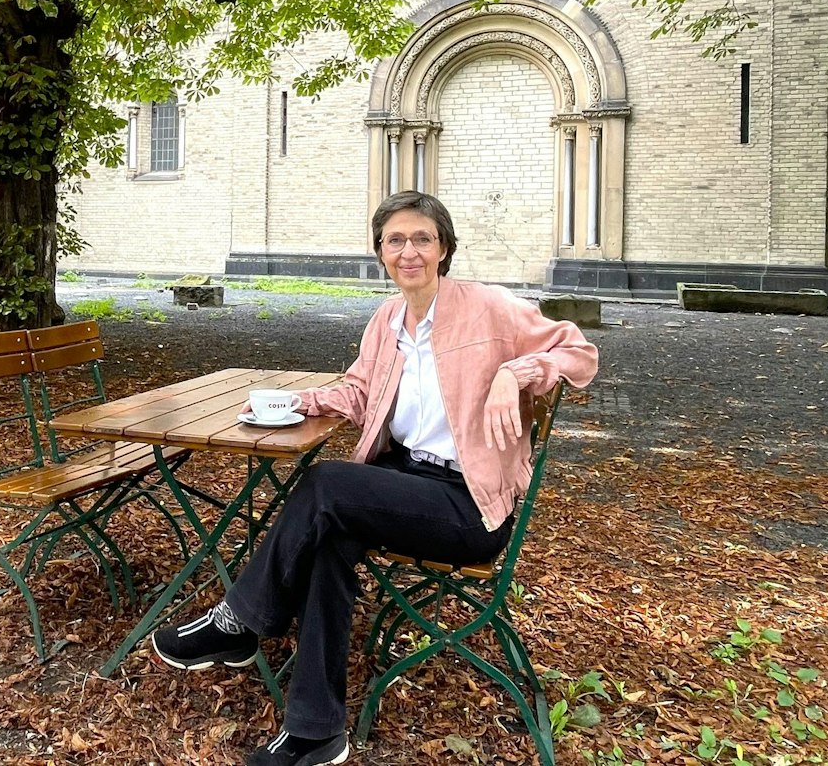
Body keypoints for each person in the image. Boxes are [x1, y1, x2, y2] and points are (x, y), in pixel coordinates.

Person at [151, 191, 600, 766]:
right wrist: (302, 400)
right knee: (328, 539)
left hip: (469, 506)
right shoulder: (388, 319)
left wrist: (518, 372)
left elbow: (579, 353)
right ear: (380, 252)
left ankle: (238, 621)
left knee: (326, 486)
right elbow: (362, 391)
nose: (408, 250)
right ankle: (316, 731)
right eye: (395, 240)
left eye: (422, 238)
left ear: (444, 248)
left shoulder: (489, 308)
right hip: (405, 482)